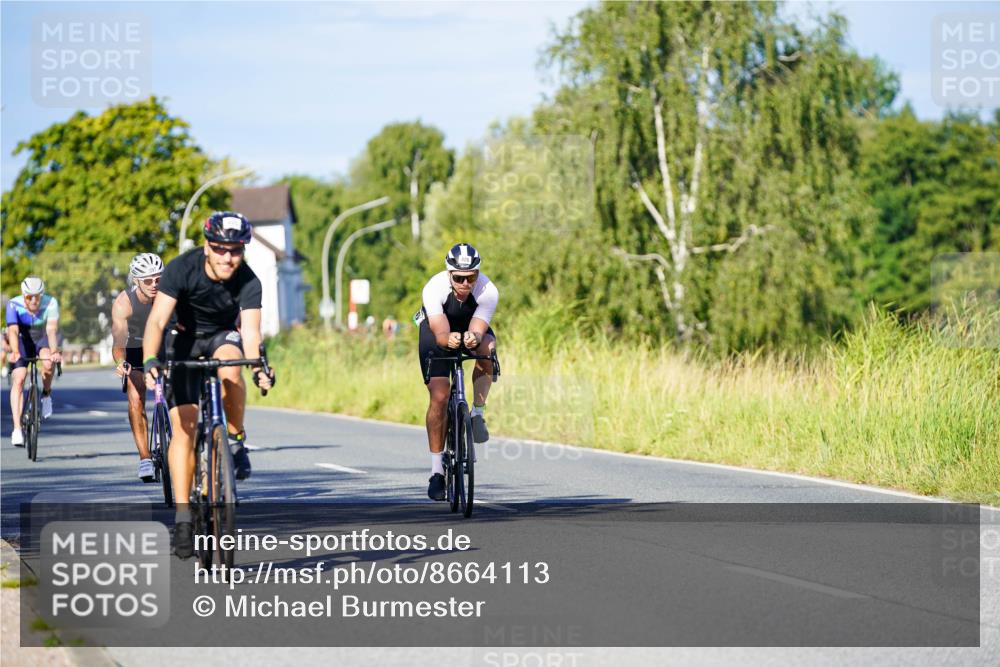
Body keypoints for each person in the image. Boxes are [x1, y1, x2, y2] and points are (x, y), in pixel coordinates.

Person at [142, 211, 274, 558]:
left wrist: (258, 366)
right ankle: (184, 518)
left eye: (235, 250)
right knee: (184, 427)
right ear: (207, 245)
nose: (227, 257)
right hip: (183, 339)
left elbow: (250, 332)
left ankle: (235, 438)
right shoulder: (181, 269)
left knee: (233, 369)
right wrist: (151, 359)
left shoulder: (249, 280)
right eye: (220, 249)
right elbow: (157, 320)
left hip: (221, 336)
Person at [416, 243, 498, 501]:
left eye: (470, 277)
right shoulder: (434, 288)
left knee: (488, 349)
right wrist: (446, 338)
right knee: (439, 396)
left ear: (477, 275)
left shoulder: (488, 290)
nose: (465, 283)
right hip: (437, 330)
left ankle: (477, 414)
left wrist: (473, 338)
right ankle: (437, 471)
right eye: (459, 278)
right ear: (449, 274)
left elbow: (478, 326)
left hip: (468, 327)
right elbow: (440, 332)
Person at [111, 253, 165, 481]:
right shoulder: (124, 303)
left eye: (158, 279)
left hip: (163, 345)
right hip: (134, 348)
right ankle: (145, 458)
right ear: (136, 281)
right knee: (135, 397)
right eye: (148, 281)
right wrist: (121, 363)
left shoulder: (168, 295)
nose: (154, 285)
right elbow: (118, 344)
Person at [6, 276, 62, 446]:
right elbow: (13, 331)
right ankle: (17, 429)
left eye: (37, 296)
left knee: (47, 363)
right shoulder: (13, 304)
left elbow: (51, 330)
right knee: (20, 378)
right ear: (23, 295)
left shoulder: (51, 302)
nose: (33, 299)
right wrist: (15, 352)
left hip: (42, 338)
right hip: (22, 341)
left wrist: (53, 351)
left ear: (41, 294)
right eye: (29, 296)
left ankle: (46, 395)